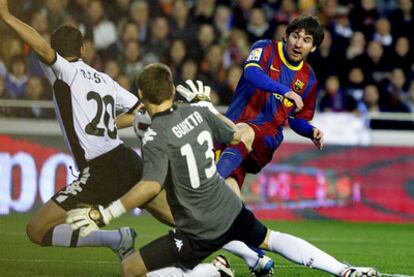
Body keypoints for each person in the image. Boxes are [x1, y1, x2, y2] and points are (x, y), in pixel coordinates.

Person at [66, 63, 379, 277]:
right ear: (173, 92)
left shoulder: (154, 137)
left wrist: (104, 214)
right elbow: (241, 134)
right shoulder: (197, 112)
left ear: (142, 98)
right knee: (272, 237)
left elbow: (149, 186)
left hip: (198, 225)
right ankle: (343, 270)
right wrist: (207, 106)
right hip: (229, 207)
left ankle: (212, 271)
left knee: (131, 269)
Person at [0, 0, 172, 259]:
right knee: (171, 215)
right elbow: (139, 112)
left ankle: (116, 239)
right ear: (83, 48)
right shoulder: (105, 80)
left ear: (57, 53)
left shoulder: (63, 72)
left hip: (100, 169)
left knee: (36, 230)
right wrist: (111, 125)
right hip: (126, 158)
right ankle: (231, 240)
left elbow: (41, 48)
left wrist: (6, 16)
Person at [215, 14, 325, 196]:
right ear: (286, 36)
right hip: (230, 130)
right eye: (295, 36)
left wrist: (310, 131)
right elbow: (251, 72)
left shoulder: (309, 79)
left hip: (266, 137)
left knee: (243, 132)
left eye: (306, 40)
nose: (298, 44)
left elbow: (298, 118)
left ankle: (208, 187)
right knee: (229, 197)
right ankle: (237, 220)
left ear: (313, 48)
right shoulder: (265, 48)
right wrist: (285, 91)